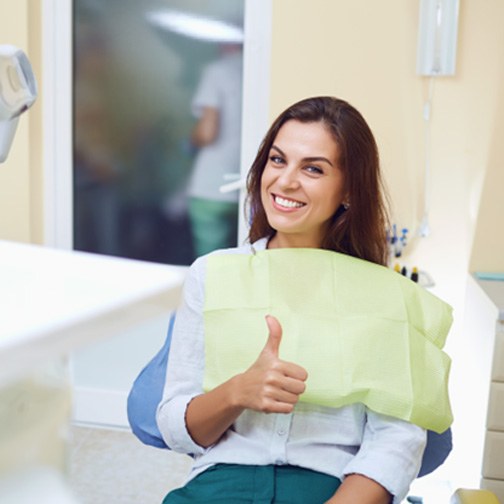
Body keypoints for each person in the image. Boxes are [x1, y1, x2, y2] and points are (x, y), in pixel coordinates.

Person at [157, 97, 449, 504]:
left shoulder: (385, 295)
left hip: (333, 487)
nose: (286, 181)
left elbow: (396, 444)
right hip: (222, 483)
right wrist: (239, 391)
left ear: (348, 190)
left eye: (313, 168)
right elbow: (175, 428)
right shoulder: (212, 274)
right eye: (278, 160)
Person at [187, 43, 243, 258]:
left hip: (212, 188)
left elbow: (207, 132)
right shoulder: (260, 69)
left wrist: (190, 140)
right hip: (248, 184)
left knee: (208, 269)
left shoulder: (217, 71)